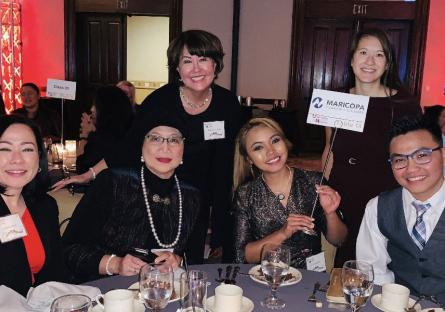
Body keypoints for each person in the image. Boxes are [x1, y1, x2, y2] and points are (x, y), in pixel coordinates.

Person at [55, 30, 246, 263]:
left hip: (200, 198)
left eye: (203, 59)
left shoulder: (227, 105)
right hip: (158, 190)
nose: (196, 69)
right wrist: (90, 173)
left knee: (188, 263)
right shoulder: (160, 101)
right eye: (187, 61)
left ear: (216, 64)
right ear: (177, 68)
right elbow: (130, 145)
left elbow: (230, 163)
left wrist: (220, 226)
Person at [62, 111, 201, 283]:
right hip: (103, 289)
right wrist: (115, 264)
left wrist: (178, 261)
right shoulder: (112, 182)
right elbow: (69, 250)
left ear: (183, 150)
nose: (165, 147)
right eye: (155, 138)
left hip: (165, 292)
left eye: (173, 140)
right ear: (142, 146)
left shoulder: (191, 196)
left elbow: (195, 259)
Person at [321, 28, 421, 267]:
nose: (369, 61)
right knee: (348, 264)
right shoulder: (335, 100)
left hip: (388, 194)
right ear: (352, 59)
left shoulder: (405, 104)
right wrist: (326, 191)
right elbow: (329, 149)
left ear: (387, 64)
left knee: (388, 265)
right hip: (345, 193)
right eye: (363, 52)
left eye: (379, 55)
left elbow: (416, 157)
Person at [233, 117, 347, 268]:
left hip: (310, 280)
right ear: (249, 159)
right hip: (267, 277)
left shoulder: (313, 181)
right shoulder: (245, 193)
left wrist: (330, 213)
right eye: (258, 147)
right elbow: (243, 255)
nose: (271, 151)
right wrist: (283, 233)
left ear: (284, 142)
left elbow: (339, 240)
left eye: (275, 140)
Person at [357, 115, 445, 304]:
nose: (411, 169)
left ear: (443, 154)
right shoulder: (378, 207)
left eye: (422, 156)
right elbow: (374, 272)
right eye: (399, 160)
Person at [0, 115, 66, 296]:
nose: (17, 159)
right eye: (5, 149)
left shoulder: (44, 207)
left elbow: (55, 275)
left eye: (27, 149)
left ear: (39, 157)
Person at [76, 86, 134, 174]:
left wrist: (84, 136)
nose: (92, 109)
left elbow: (81, 169)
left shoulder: (102, 138)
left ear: (106, 108)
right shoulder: (130, 132)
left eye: (95, 105)